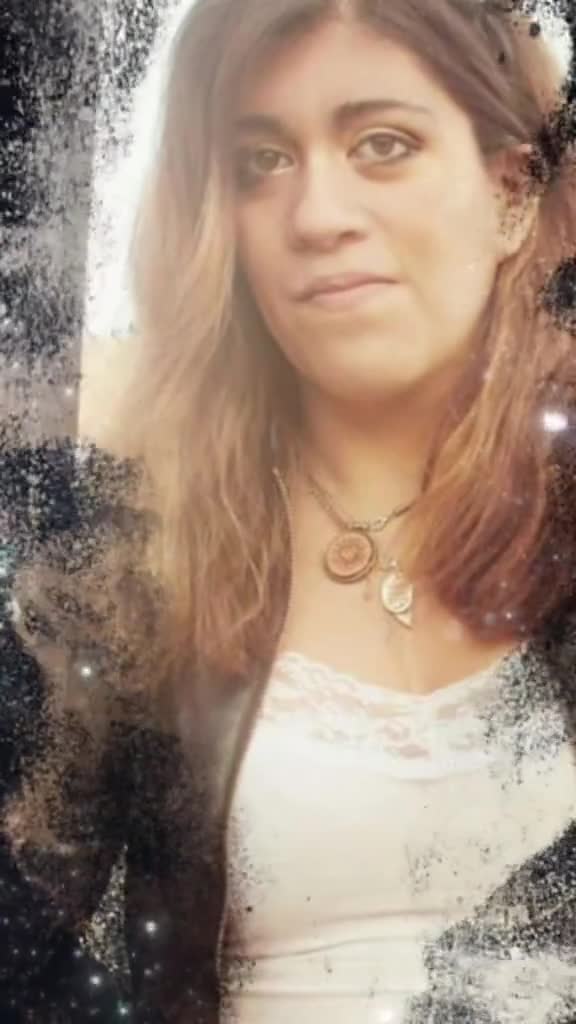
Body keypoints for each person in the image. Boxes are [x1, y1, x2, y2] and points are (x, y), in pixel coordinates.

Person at [1, 0, 576, 1021]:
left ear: (512, 193)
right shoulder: (129, 559)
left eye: (383, 145)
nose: (316, 215)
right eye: (261, 162)